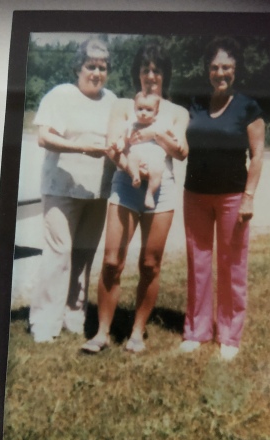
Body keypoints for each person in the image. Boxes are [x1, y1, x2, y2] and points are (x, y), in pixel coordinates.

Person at [81, 42, 189, 353]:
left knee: (150, 263)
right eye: (145, 70)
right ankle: (101, 333)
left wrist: (155, 134)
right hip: (127, 184)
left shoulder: (177, 112)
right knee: (112, 260)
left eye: (156, 70)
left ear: (165, 75)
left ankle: (137, 333)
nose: (151, 76)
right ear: (137, 74)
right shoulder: (123, 106)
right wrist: (129, 166)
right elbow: (114, 146)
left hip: (162, 188)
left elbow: (181, 152)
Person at [180, 37, 265, 360]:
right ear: (207, 70)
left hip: (232, 196)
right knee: (198, 263)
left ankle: (229, 336)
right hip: (195, 195)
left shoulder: (248, 107)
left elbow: (257, 156)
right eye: (215, 67)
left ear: (235, 69)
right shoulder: (195, 103)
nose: (220, 72)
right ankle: (197, 331)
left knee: (232, 265)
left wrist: (249, 197)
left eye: (226, 67)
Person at [29, 38, 117, 343]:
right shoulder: (60, 95)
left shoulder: (112, 101)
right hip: (61, 188)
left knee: (83, 255)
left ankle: (73, 315)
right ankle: (44, 322)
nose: (96, 72)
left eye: (102, 67)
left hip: (97, 191)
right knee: (58, 253)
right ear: (77, 68)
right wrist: (81, 147)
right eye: (90, 66)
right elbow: (44, 137)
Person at [116, 91, 167, 209]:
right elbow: (123, 137)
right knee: (131, 158)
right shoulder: (131, 125)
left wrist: (174, 139)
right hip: (137, 154)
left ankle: (150, 194)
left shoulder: (159, 125)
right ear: (134, 108)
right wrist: (120, 143)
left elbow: (168, 136)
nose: (143, 113)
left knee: (158, 170)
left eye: (149, 110)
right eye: (140, 109)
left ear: (156, 112)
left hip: (155, 156)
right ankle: (135, 176)